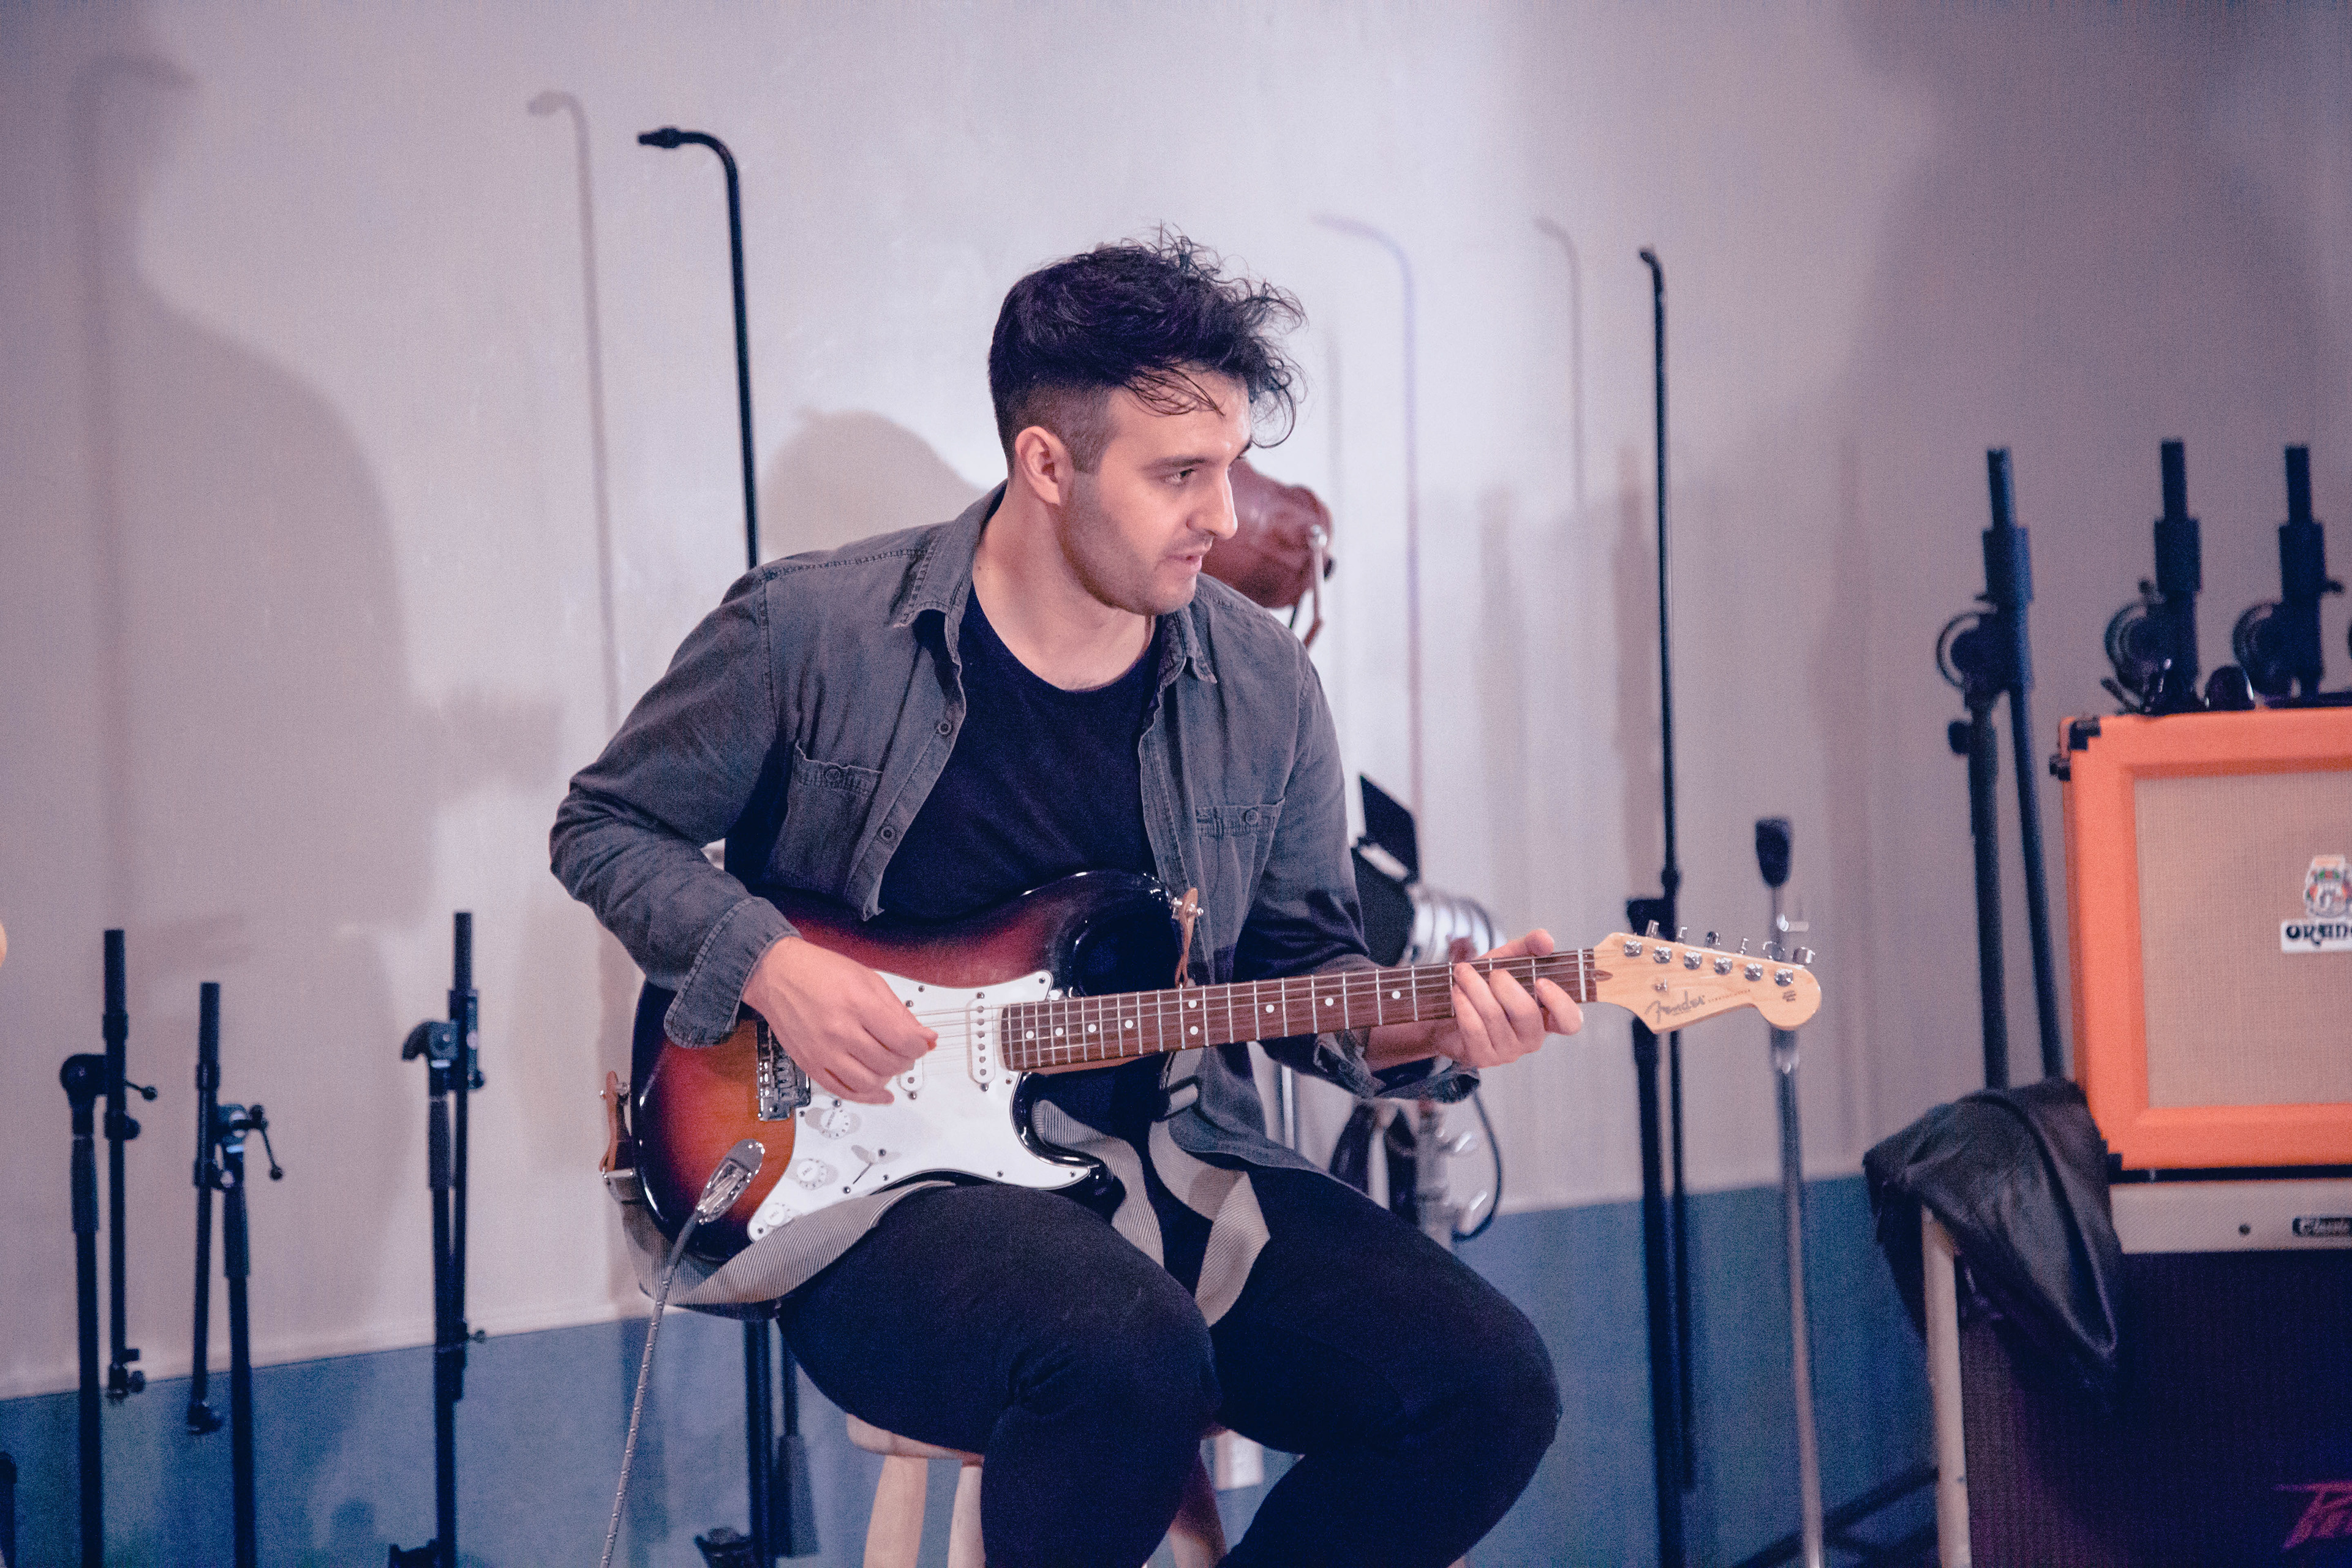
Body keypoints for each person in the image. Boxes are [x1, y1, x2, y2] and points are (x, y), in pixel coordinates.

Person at [552, 233, 1575, 1567]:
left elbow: (1304, 963)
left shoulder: (1263, 683)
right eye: (1179, 474)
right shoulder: (810, 634)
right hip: (870, 1199)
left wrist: (1422, 1029)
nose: (1225, 515)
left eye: (1231, 464)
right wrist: (770, 963)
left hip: (1176, 1164)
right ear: (1047, 464)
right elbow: (604, 824)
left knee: (1489, 1387)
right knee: (1124, 1349)